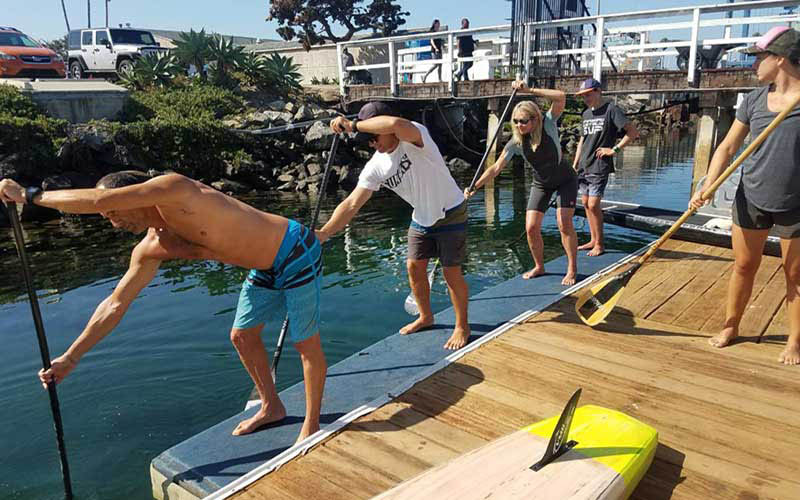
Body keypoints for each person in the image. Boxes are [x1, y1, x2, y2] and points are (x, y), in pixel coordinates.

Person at [0, 172, 327, 443]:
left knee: (304, 342)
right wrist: (71, 357)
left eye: (114, 213)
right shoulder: (151, 247)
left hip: (296, 251)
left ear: (133, 197)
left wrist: (30, 195)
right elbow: (115, 304)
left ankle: (310, 429)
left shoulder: (177, 189)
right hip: (265, 268)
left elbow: (100, 199)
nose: (113, 223)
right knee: (241, 336)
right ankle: (272, 407)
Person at [689, 26, 800, 365]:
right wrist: (707, 185)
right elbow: (728, 146)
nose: (753, 64)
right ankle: (731, 325)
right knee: (743, 265)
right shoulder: (754, 100)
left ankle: (794, 342)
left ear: (779, 59)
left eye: (759, 58)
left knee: (795, 276)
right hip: (751, 195)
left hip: (795, 203)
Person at [321, 102, 470, 350]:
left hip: (451, 210)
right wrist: (324, 233)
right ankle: (425, 316)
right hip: (421, 217)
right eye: (367, 140)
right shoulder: (376, 166)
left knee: (450, 272)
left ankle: (462, 326)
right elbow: (351, 204)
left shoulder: (414, 136)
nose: (372, 144)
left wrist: (352, 125)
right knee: (413, 267)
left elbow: (394, 124)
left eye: (373, 137)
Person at [466, 81, 577, 286]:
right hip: (542, 183)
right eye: (515, 121)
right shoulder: (516, 142)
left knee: (564, 223)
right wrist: (474, 187)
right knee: (531, 227)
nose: (519, 125)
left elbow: (560, 96)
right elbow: (496, 168)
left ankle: (571, 268)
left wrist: (530, 90)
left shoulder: (549, 123)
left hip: (565, 180)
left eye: (523, 121)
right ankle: (539, 266)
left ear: (535, 119)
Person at [572, 77, 639, 256]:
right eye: (583, 96)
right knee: (586, 203)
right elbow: (582, 140)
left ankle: (600, 244)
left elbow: (632, 132)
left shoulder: (611, 110)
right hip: (584, 165)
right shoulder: (586, 114)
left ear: (598, 91)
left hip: (599, 165)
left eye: (588, 94)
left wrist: (614, 150)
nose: (585, 98)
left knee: (594, 204)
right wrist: (574, 163)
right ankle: (593, 240)